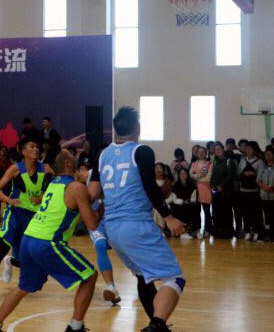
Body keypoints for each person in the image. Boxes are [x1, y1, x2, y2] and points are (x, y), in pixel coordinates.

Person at [0, 151, 99, 332]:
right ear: (68, 163)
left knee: (23, 287)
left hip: (29, 239)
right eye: (72, 156)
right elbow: (92, 224)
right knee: (90, 276)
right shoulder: (76, 188)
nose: (76, 158)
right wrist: (104, 205)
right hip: (48, 242)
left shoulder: (54, 183)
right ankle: (76, 327)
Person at [97, 107, 186, 332]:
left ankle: (156, 325)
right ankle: (156, 325)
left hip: (112, 227)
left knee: (142, 276)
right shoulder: (141, 151)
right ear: (137, 127)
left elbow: (94, 192)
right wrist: (168, 216)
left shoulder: (103, 155)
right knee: (174, 279)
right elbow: (150, 186)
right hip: (136, 224)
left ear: (116, 129)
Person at [0, 138, 53, 303]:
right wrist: (10, 201)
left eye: (37, 146)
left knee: (27, 259)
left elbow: (56, 185)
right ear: (23, 151)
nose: (36, 149)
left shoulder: (45, 168)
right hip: (15, 212)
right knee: (4, 247)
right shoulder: (15, 169)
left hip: (33, 217)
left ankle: (9, 261)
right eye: (32, 146)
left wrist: (41, 196)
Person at [80, 162, 121, 304]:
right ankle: (111, 287)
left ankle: (141, 277)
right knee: (100, 245)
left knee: (128, 251)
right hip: (97, 220)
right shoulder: (88, 174)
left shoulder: (120, 172)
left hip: (115, 218)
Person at [236, 141, 264, 241]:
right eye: (246, 148)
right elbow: (238, 174)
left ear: (255, 150)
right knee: (245, 212)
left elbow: (261, 176)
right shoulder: (242, 161)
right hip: (243, 191)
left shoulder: (260, 162)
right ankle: (247, 231)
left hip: (255, 191)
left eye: (250, 149)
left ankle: (256, 231)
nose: (247, 150)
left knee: (256, 213)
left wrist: (253, 174)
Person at [210, 141, 235, 239]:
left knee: (226, 212)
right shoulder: (214, 162)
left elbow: (230, 176)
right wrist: (212, 186)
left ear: (223, 149)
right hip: (215, 191)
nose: (217, 151)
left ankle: (228, 232)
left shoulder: (229, 161)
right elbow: (212, 176)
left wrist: (221, 186)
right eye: (215, 150)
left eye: (219, 149)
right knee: (216, 211)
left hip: (226, 192)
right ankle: (217, 231)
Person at [190, 148, 212, 237]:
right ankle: (197, 229)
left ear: (206, 153)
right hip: (196, 191)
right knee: (196, 211)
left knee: (207, 211)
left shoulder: (209, 164)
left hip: (206, 190)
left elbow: (208, 178)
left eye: (203, 152)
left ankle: (207, 230)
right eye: (199, 152)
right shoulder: (194, 164)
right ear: (197, 154)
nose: (201, 153)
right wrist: (200, 175)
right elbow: (191, 175)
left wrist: (197, 178)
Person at [170, 168, 198, 239]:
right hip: (178, 204)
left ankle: (190, 231)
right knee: (180, 208)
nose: (182, 175)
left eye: (184, 173)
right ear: (179, 175)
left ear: (187, 174)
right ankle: (181, 232)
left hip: (189, 203)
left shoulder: (192, 185)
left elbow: (194, 197)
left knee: (194, 207)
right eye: (181, 173)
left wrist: (189, 201)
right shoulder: (175, 185)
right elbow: (173, 198)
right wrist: (182, 201)